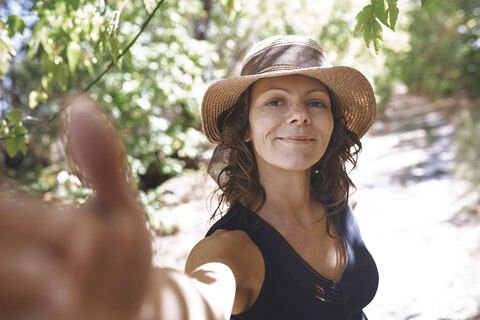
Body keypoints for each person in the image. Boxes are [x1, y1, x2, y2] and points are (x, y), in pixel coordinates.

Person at [0, 35, 378, 320]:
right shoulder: (232, 250)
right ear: (245, 129)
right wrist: (136, 296)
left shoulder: (336, 196)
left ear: (331, 123)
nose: (299, 115)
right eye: (275, 101)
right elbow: (199, 296)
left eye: (316, 101)